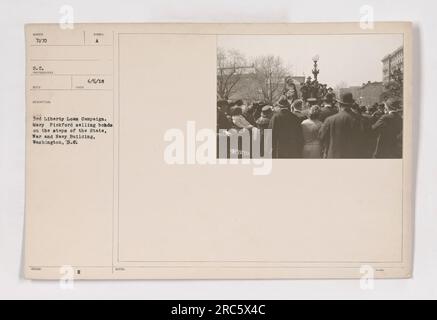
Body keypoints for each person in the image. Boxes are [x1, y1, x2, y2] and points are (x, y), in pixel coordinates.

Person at [319, 92, 361, 159]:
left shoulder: (330, 120)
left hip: (334, 155)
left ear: (339, 104)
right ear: (351, 104)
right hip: (353, 155)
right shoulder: (359, 119)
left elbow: (321, 136)